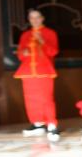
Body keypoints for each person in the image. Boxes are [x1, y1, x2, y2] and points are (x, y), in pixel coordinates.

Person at [15, 9, 60, 141]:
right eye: (31, 18)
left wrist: (42, 41)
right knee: (30, 99)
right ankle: (38, 124)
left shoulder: (50, 33)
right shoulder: (25, 35)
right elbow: (20, 54)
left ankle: (51, 125)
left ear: (42, 18)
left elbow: (53, 52)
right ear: (29, 20)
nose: (34, 20)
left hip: (44, 70)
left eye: (37, 17)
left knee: (46, 98)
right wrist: (23, 53)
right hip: (28, 72)